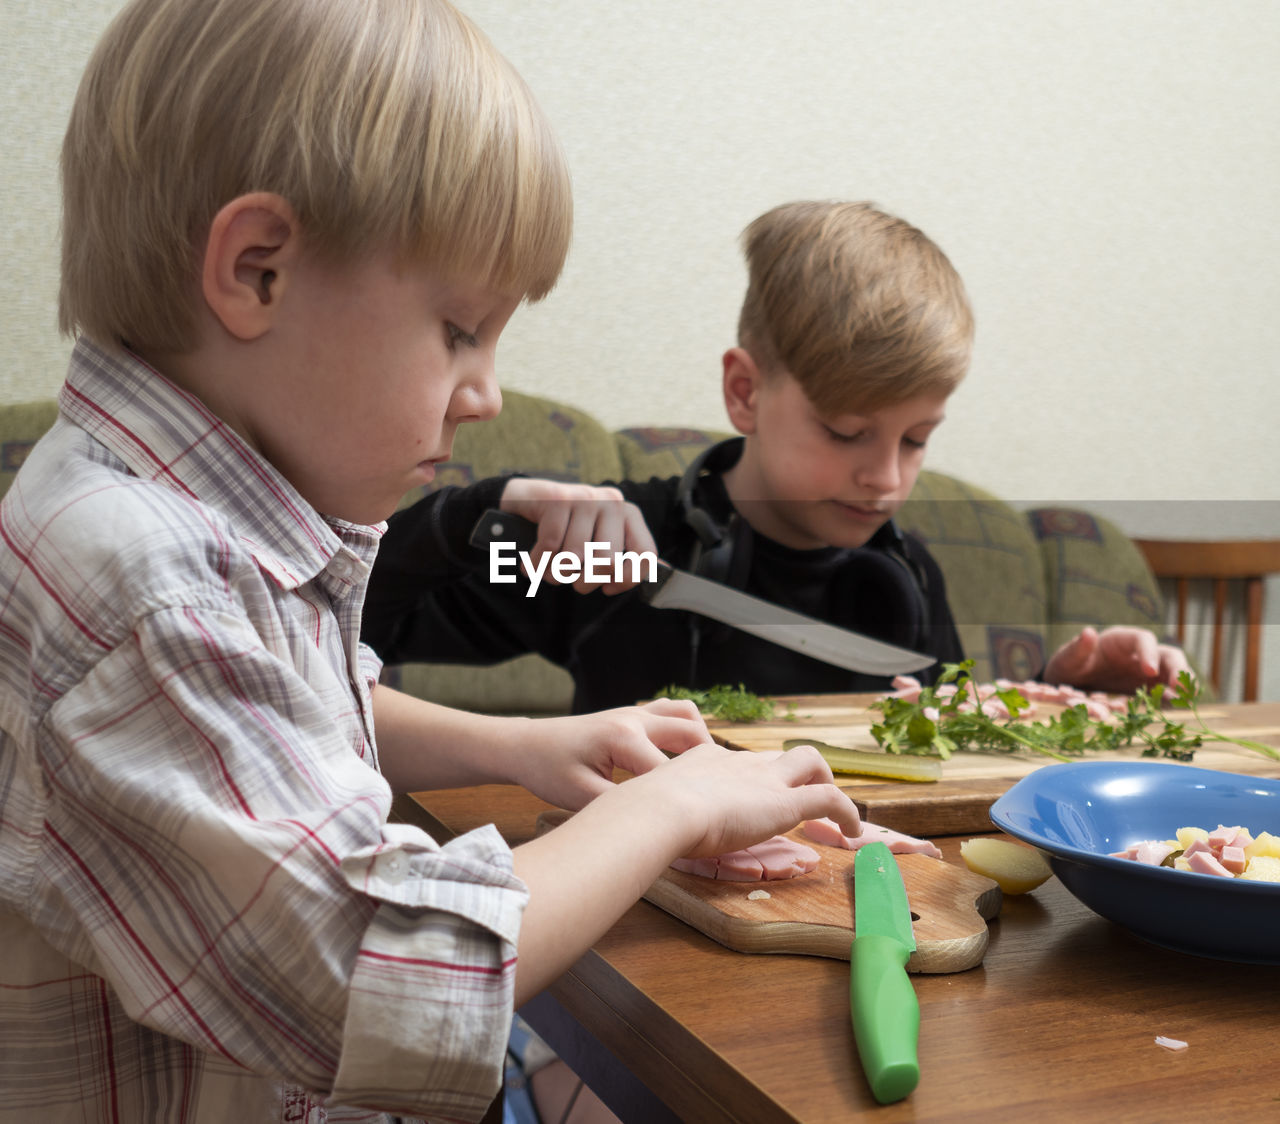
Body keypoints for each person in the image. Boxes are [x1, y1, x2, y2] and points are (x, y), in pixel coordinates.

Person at [0, 4, 860, 1122]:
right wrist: (671, 807)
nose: (487, 390)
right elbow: (371, 977)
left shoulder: (184, 516)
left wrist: (526, 745)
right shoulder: (144, 572)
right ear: (255, 269)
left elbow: (295, 702)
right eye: (460, 327)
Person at [362, 201, 1190, 713]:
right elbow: (361, 620)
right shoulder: (614, 547)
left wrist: (1065, 693)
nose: (887, 478)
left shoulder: (905, 573)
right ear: (747, 392)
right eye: (845, 431)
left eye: (917, 439)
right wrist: (483, 515)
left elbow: (941, 741)